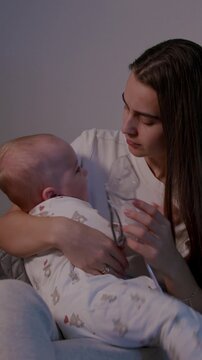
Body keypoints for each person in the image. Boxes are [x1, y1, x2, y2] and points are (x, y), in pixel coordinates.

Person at [0, 38, 202, 358]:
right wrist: (66, 233)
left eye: (147, 120)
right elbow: (10, 225)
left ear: (185, 123)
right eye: (125, 105)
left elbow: (195, 317)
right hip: (62, 316)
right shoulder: (93, 151)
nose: (126, 127)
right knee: (7, 297)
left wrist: (170, 263)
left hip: (131, 334)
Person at [0, 133, 202, 360]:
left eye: (147, 120)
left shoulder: (40, 211)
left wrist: (170, 258)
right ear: (52, 194)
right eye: (78, 170)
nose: (85, 171)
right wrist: (150, 226)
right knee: (173, 318)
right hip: (99, 302)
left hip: (72, 322)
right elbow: (115, 239)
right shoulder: (67, 205)